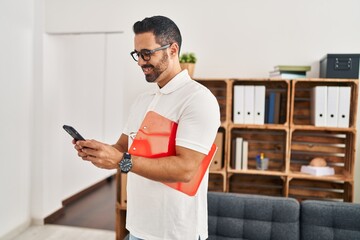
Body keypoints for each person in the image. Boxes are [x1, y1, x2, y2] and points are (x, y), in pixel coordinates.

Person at [74, 15, 220, 240]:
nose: (141, 62)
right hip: (138, 229)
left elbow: (185, 169)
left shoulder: (198, 99)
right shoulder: (143, 100)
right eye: (137, 55)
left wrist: (121, 160)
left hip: (176, 233)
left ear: (172, 49)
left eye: (147, 54)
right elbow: (123, 147)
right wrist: (99, 152)